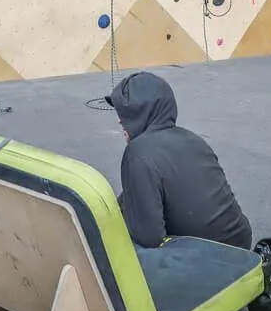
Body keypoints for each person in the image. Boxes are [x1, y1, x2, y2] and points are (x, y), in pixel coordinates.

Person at [105, 71, 251, 250]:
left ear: (141, 113)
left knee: (116, 249)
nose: (120, 121)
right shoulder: (193, 139)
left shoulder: (139, 153)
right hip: (240, 243)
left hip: (210, 259)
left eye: (126, 114)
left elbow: (148, 238)